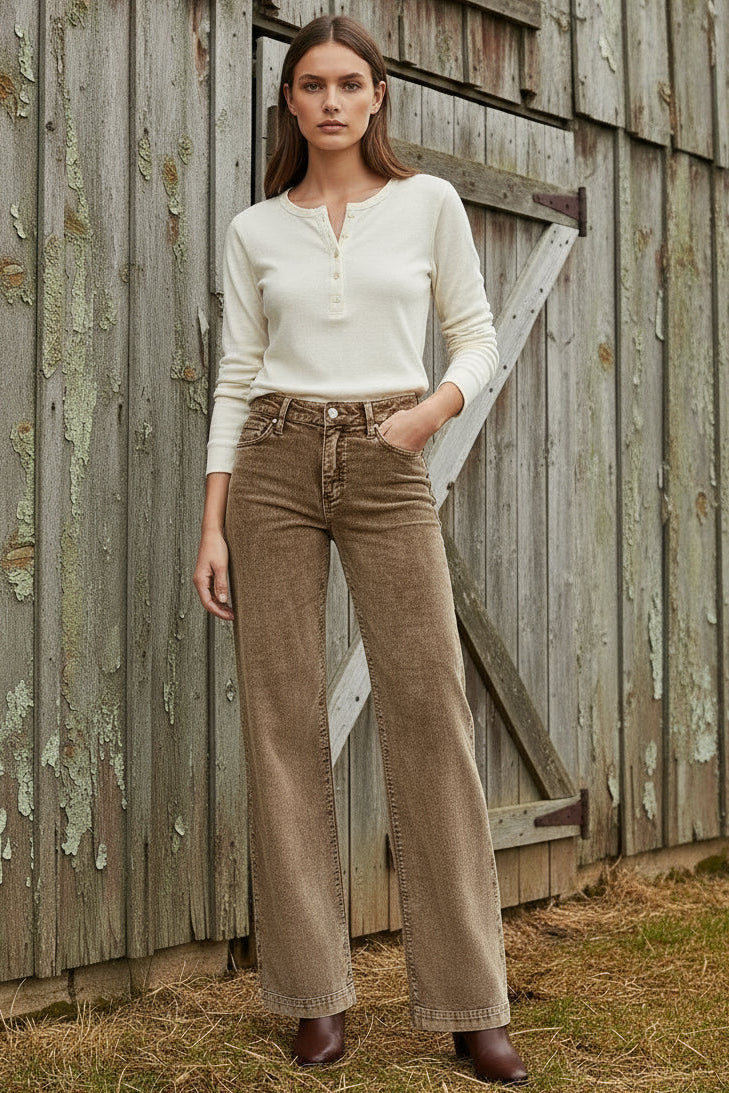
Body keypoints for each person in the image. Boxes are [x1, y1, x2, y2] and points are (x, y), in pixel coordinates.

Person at [193, 13, 528, 1086]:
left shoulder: (429, 205)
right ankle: (312, 999)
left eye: (350, 82)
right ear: (290, 102)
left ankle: (473, 1003)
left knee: (430, 712)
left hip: (389, 457)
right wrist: (213, 519)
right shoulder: (255, 230)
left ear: (378, 96)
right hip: (276, 461)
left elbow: (476, 335)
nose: (331, 100)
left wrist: (427, 417)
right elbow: (238, 374)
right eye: (312, 85)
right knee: (283, 721)